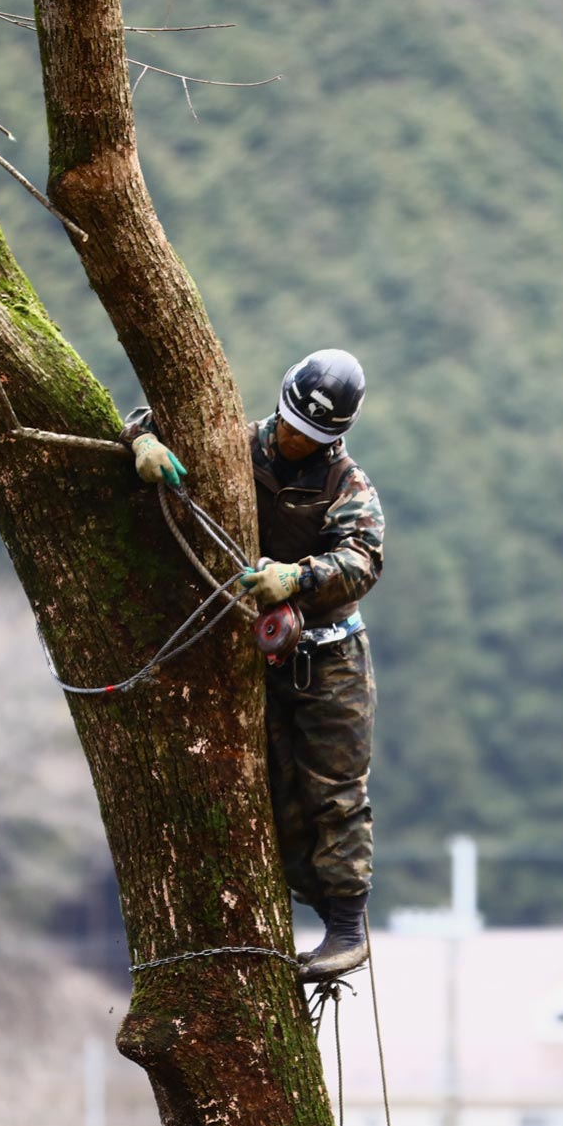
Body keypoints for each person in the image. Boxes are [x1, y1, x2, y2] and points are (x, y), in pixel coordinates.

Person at [127, 349, 383, 983]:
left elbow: (363, 558)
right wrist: (141, 441)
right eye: (294, 424)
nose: (297, 439)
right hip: (261, 654)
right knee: (278, 794)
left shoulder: (347, 485)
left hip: (330, 659)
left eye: (313, 435)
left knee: (335, 791)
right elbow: (150, 420)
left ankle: (348, 929)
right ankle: (304, 908)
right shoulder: (229, 442)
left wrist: (298, 575)